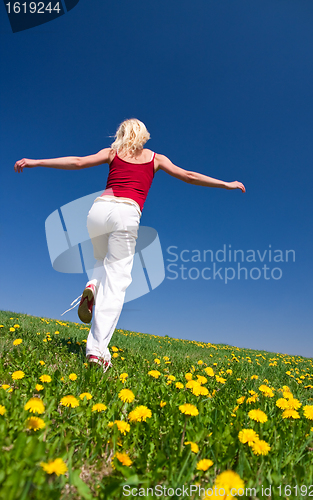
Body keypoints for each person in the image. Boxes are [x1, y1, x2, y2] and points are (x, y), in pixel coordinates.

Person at [14, 118, 246, 372]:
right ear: (144, 135)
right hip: (126, 214)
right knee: (117, 282)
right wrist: (225, 183)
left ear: (121, 133)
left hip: (99, 210)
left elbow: (78, 162)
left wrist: (36, 162)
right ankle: (96, 351)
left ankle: (93, 284)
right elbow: (188, 176)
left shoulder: (112, 153)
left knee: (100, 260)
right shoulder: (155, 158)